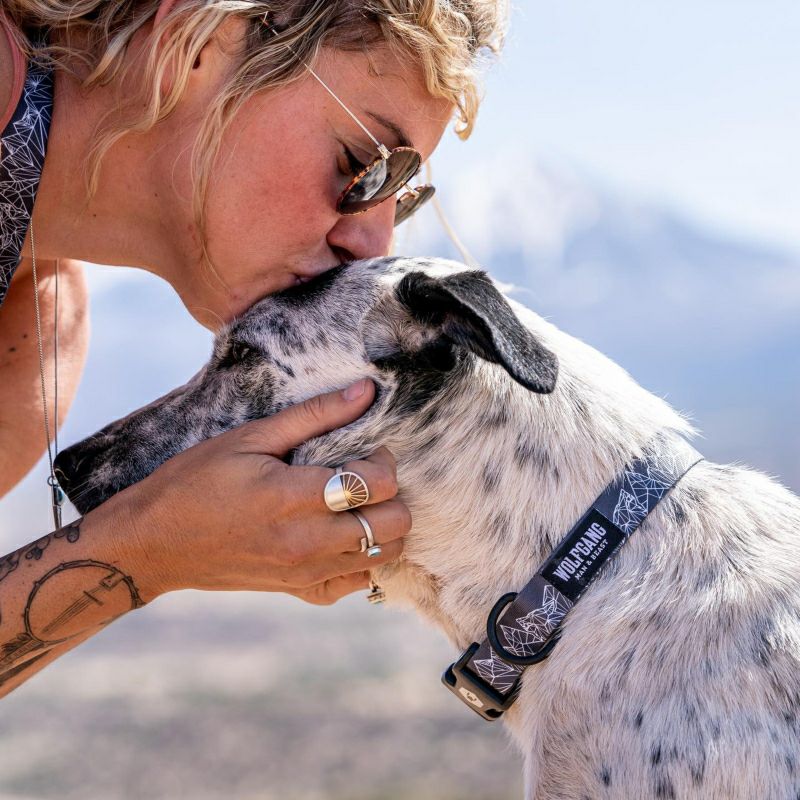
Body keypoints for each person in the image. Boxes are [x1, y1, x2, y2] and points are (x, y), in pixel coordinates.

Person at [0, 0, 507, 697]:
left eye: (402, 200)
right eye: (363, 167)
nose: (373, 246)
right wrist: (144, 552)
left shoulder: (36, 338)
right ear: (198, 36)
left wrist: (154, 549)